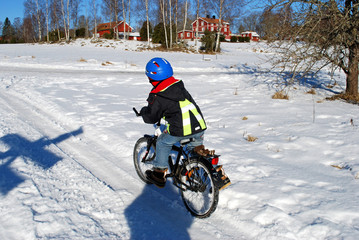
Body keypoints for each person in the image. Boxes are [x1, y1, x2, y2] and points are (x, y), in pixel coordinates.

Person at [140, 57, 207, 188]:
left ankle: (159, 174)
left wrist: (144, 112)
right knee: (193, 150)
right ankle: (199, 171)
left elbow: (151, 117)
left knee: (162, 142)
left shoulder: (157, 95)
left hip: (181, 129)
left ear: (150, 77)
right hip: (199, 125)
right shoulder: (179, 85)